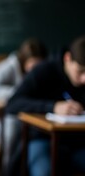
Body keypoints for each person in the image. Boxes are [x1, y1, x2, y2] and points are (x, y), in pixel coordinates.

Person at [6, 35, 85, 176]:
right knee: (44, 171)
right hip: (42, 139)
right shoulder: (44, 71)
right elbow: (13, 104)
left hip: (78, 142)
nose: (84, 79)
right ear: (67, 58)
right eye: (80, 71)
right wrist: (53, 107)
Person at [0, 38, 48, 175]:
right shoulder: (11, 65)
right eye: (33, 66)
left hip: (30, 115)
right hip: (9, 115)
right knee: (11, 131)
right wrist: (20, 92)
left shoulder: (45, 71)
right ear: (24, 60)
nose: (36, 71)